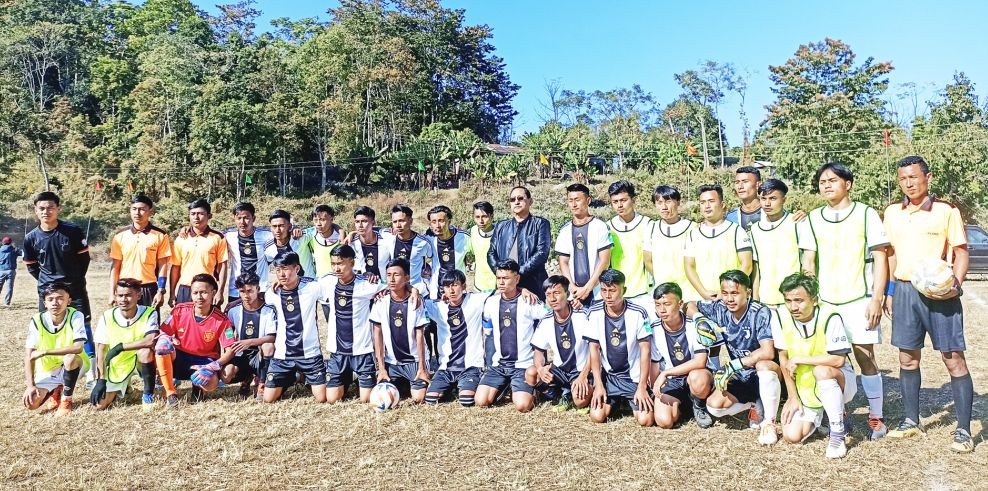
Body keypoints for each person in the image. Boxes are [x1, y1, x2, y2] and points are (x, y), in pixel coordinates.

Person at [883, 155, 975, 453]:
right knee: (907, 359)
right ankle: (911, 420)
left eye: (913, 176)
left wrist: (955, 286)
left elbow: (960, 253)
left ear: (928, 177)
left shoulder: (946, 211)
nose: (909, 183)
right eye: (903, 178)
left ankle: (963, 429)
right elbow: (891, 254)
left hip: (940, 294)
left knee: (953, 359)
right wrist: (890, 290)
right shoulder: (892, 213)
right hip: (907, 292)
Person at [799, 162, 889, 439]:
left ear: (847, 184)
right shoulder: (812, 219)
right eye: (822, 181)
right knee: (831, 361)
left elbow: (881, 257)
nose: (826, 185)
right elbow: (809, 262)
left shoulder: (866, 214)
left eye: (832, 180)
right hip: (825, 303)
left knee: (866, 358)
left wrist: (877, 298)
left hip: (858, 299)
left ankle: (876, 417)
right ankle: (838, 414)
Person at [687, 270, 782, 445]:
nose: (729, 299)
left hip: (764, 372)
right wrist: (699, 318)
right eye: (725, 293)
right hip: (741, 374)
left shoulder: (759, 312)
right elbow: (689, 305)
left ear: (748, 292)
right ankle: (755, 403)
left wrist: (733, 365)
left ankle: (769, 422)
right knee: (713, 407)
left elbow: (768, 352)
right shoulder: (720, 308)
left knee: (764, 366)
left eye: (735, 293)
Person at [773, 273, 855, 459]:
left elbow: (838, 360)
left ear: (815, 299)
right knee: (791, 436)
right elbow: (784, 359)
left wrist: (801, 359)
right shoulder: (779, 316)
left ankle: (837, 433)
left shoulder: (830, 316)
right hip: (806, 388)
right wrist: (793, 397)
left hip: (838, 379)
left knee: (822, 371)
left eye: (799, 300)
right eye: (788, 300)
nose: (793, 307)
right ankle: (826, 414)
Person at [23, 191, 96, 385]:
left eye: (50, 207)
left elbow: (84, 260)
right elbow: (31, 266)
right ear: (36, 211)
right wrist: (49, 284)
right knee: (47, 329)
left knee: (84, 327)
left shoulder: (72, 231)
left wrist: (72, 280)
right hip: (47, 291)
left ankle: (91, 373)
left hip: (75, 289)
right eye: (42, 208)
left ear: (58, 209)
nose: (46, 211)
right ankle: (51, 369)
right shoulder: (31, 238)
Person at [320, 245, 393, 403]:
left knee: (366, 399)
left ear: (352, 263)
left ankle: (355, 374)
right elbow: (302, 286)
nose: (336, 268)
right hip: (337, 351)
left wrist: (410, 290)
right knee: (332, 399)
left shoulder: (365, 283)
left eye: (340, 263)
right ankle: (347, 376)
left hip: (361, 350)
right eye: (333, 264)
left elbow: (393, 286)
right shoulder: (327, 282)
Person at [155, 273, 236, 407]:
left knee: (211, 384)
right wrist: (166, 338)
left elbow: (230, 350)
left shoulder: (221, 319)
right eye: (195, 293)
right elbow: (163, 332)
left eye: (204, 292)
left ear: (213, 293)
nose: (199, 297)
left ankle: (198, 388)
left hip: (204, 361)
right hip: (179, 357)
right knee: (162, 348)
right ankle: (170, 394)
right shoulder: (180, 310)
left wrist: (213, 366)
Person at [475, 259, 546, 412]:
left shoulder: (529, 301)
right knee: (481, 401)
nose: (501, 282)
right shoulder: (490, 302)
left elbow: (550, 315)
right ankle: (505, 385)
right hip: (498, 365)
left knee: (522, 406)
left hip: (523, 365)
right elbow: (487, 331)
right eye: (499, 278)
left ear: (517, 279)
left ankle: (532, 389)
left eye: (506, 278)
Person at [586, 269, 654, 426]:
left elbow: (646, 350)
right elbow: (594, 350)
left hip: (633, 378)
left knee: (646, 420)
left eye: (612, 290)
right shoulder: (594, 312)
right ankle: (615, 402)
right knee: (597, 417)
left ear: (624, 290)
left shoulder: (638, 312)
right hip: (609, 378)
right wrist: (598, 384)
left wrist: (643, 386)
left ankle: (630, 398)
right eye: (603, 290)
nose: (608, 296)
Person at [261, 252, 327, 404]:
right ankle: (292, 376)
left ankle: (311, 372)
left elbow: (334, 285)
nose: (281, 274)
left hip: (310, 353)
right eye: (277, 270)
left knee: (322, 398)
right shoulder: (272, 294)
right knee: (268, 399)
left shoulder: (313, 287)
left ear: (297, 268)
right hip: (282, 355)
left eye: (285, 269)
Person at [649, 282, 714, 429]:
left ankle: (699, 406)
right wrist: (655, 389)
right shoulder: (654, 329)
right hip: (672, 381)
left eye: (667, 304)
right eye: (658, 305)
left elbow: (700, 361)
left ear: (680, 304)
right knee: (664, 421)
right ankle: (684, 409)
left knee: (698, 378)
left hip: (695, 375)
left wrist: (665, 373)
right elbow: (654, 362)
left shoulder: (693, 325)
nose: (662, 309)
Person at [89, 278, 159, 410]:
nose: (123, 299)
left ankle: (148, 395)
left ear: (138, 295)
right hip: (118, 365)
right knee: (98, 406)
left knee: (146, 352)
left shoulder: (149, 312)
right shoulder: (106, 316)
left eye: (128, 295)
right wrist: (101, 380)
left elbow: (151, 340)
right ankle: (126, 388)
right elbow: (101, 350)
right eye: (120, 295)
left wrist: (120, 347)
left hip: (139, 360)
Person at [22, 282, 90, 416]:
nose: (55, 303)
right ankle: (56, 390)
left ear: (68, 301)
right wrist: (30, 385)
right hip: (49, 369)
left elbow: (78, 347)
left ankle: (66, 400)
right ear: (45, 303)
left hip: (75, 364)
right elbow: (29, 355)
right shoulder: (37, 320)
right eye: (50, 299)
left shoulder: (76, 316)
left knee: (70, 358)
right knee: (32, 403)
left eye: (60, 298)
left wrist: (46, 352)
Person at [528, 275, 593, 412]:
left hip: (580, 371)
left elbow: (595, 351)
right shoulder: (546, 321)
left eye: (557, 293)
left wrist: (583, 376)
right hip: (560, 372)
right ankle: (559, 394)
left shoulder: (583, 315)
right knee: (531, 373)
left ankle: (575, 391)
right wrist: (541, 368)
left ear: (567, 294)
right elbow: (538, 352)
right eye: (548, 295)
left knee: (580, 402)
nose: (552, 299)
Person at [371, 259, 431, 404]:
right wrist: (381, 368)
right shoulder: (380, 301)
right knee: (377, 397)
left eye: (396, 275)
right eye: (388, 274)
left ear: (407, 278)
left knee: (419, 398)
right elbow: (377, 335)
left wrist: (422, 366)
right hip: (392, 362)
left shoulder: (415, 301)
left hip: (413, 360)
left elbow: (420, 335)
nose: (391, 279)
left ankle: (412, 379)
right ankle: (401, 382)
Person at [424, 270, 486, 407]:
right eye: (447, 286)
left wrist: (522, 289)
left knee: (467, 401)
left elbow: (501, 291)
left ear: (463, 286)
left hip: (470, 365)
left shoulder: (476, 300)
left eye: (455, 285)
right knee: (430, 400)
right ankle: (449, 387)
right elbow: (412, 297)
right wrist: (414, 291)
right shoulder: (437, 307)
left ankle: (466, 385)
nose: (451, 290)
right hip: (446, 367)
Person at [684, 184, 753, 301]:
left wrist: (726, 293)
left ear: (722, 205)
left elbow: (747, 265)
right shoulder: (693, 234)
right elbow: (689, 266)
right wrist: (703, 292)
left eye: (711, 201)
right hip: (701, 299)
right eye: (702, 202)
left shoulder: (736, 231)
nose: (707, 206)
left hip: (731, 300)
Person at [487, 187, 551, 300]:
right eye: (512, 199)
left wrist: (516, 274)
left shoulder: (540, 224)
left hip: (533, 283)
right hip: (506, 285)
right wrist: (502, 275)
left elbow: (542, 253)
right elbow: (491, 253)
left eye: (520, 198)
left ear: (530, 201)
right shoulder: (501, 226)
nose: (516, 202)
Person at [555, 184, 612, 307]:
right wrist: (571, 287)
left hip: (597, 293)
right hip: (574, 295)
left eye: (577, 200)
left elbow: (604, 261)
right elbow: (563, 262)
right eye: (570, 200)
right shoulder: (565, 230)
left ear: (588, 200)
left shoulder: (600, 226)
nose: (574, 204)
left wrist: (588, 288)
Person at [109, 195, 171, 308]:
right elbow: (115, 266)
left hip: (148, 288)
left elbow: (163, 265)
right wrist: (111, 293)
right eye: (134, 209)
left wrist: (161, 290)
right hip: (125, 288)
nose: (137, 213)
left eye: (142, 209)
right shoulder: (119, 235)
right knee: (126, 324)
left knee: (149, 323)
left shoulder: (160, 235)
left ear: (150, 212)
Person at [748, 179, 801, 307]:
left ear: (784, 199)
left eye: (773, 198)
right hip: (766, 301)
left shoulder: (797, 222)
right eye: (763, 198)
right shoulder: (754, 230)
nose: (767, 203)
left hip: (792, 299)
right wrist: (756, 300)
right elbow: (756, 267)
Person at [224, 272, 277, 400]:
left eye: (250, 291)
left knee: (268, 346)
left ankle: (262, 384)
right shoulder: (232, 309)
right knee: (226, 375)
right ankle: (246, 379)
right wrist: (231, 343)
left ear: (258, 289)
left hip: (261, 354)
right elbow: (227, 332)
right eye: (242, 291)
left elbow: (272, 337)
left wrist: (249, 342)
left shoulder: (269, 309)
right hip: (241, 354)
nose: (246, 295)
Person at [644, 185, 699, 302]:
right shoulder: (651, 227)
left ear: (678, 202)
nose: (664, 207)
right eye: (659, 202)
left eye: (668, 201)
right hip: (662, 291)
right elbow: (647, 261)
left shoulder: (692, 228)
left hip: (688, 292)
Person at [170, 199, 228, 307]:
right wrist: (172, 293)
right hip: (186, 289)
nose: (196, 217)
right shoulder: (181, 238)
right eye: (193, 214)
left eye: (201, 214)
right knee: (183, 323)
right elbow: (175, 267)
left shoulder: (218, 238)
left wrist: (220, 291)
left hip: (207, 289)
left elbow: (222, 266)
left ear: (209, 216)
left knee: (208, 322)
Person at [605, 180, 652, 308]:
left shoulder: (648, 224)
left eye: (623, 200)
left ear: (633, 200)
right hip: (617, 293)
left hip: (644, 293)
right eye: (615, 202)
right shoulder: (608, 227)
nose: (620, 205)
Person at [224, 202, 274, 304]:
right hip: (236, 291)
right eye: (239, 218)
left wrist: (295, 229)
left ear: (253, 218)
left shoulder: (266, 236)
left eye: (246, 218)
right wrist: (188, 229)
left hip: (260, 289)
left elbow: (284, 234)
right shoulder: (229, 236)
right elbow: (210, 235)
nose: (242, 222)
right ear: (234, 218)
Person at [383, 204, 434, 295]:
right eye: (395, 222)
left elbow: (433, 258)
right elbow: (370, 229)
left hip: (417, 290)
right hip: (394, 291)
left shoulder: (423, 243)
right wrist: (353, 233)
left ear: (410, 221)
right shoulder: (388, 236)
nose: (398, 225)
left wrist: (427, 268)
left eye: (402, 221)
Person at [426, 205, 470, 300]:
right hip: (436, 290)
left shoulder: (464, 237)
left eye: (441, 221)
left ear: (449, 221)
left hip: (458, 290)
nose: (437, 225)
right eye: (434, 222)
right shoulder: (428, 239)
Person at [264, 209, 316, 280]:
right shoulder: (268, 248)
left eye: (281, 226)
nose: (277, 230)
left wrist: (336, 228)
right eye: (274, 226)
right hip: (287, 287)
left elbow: (322, 227)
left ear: (289, 226)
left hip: (309, 284)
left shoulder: (300, 237)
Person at [350, 206, 393, 283]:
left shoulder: (386, 238)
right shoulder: (352, 243)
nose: (360, 225)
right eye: (357, 222)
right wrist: (364, 273)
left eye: (364, 221)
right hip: (364, 285)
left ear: (373, 223)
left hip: (387, 285)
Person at [301, 204, 343, 278]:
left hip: (339, 282)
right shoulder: (310, 237)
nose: (318, 224)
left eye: (322, 220)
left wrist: (342, 232)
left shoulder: (341, 238)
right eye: (315, 220)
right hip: (320, 282)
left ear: (332, 219)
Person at [466, 201, 496, 293]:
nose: (481, 221)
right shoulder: (472, 232)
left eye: (484, 217)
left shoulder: (500, 232)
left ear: (491, 216)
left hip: (498, 287)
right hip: (478, 286)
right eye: (477, 217)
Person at [0, 236, 21, 306]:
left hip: (1, 271)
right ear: (10, 242)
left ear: (3, 243)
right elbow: (23, 254)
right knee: (9, 287)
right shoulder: (14, 250)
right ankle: (7, 302)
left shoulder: (0, 250)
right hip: (11, 271)